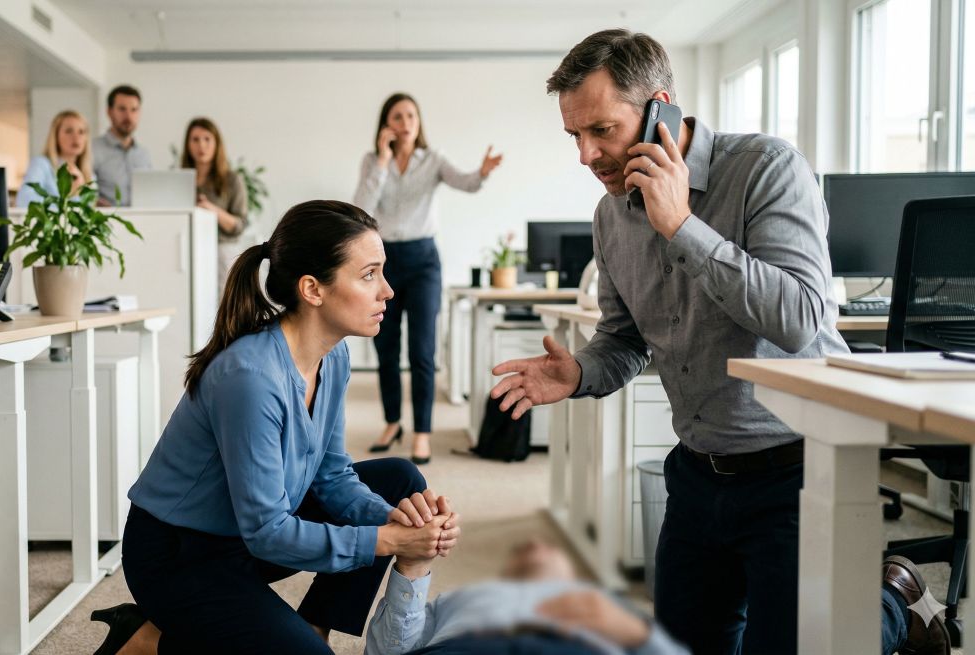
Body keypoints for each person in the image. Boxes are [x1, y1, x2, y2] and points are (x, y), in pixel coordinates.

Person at [487, 29, 950, 654]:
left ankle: (895, 600)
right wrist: (581, 374)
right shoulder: (610, 216)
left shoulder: (765, 169)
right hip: (698, 473)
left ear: (660, 109)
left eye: (601, 130)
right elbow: (625, 340)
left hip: (798, 468)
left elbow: (801, 318)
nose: (585, 154)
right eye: (575, 135)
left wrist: (682, 226)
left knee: (804, 642)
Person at [90, 200, 463, 655]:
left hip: (246, 539)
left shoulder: (334, 355)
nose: (387, 290)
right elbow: (268, 531)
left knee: (398, 484)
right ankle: (150, 637)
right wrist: (387, 541)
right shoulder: (249, 377)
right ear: (312, 289)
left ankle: (313, 628)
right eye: (369, 275)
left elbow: (332, 476)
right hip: (181, 557)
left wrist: (397, 519)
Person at [366, 541, 942, 655]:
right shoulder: (461, 611)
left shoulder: (596, 617)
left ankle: (892, 604)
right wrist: (413, 565)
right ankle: (894, 602)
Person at [355, 92, 503, 465]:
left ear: (418, 122)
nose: (405, 122)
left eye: (410, 116)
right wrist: (384, 162)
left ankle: (421, 432)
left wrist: (482, 172)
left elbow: (466, 183)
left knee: (421, 352)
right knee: (385, 349)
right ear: (386, 124)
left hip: (423, 261)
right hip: (383, 261)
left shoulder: (433, 160)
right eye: (397, 116)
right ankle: (392, 423)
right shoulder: (373, 162)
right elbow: (360, 210)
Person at [366, 538, 689, 655]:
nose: (534, 545)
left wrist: (638, 634)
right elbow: (390, 651)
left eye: (549, 547)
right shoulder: (463, 597)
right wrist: (413, 567)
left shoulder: (605, 604)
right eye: (522, 550)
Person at [180, 117, 250, 290]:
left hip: (221, 252)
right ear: (188, 144)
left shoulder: (231, 180)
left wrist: (211, 210)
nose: (201, 146)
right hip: (189, 251)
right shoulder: (180, 181)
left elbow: (239, 225)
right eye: (195, 139)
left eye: (207, 139)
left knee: (222, 307)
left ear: (216, 143)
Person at [16, 110, 94, 207]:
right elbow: (24, 200)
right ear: (56, 136)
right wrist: (68, 199)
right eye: (69, 131)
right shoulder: (41, 164)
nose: (76, 137)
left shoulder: (89, 174)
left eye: (81, 132)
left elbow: (88, 214)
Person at [92, 84, 152, 206]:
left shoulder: (144, 154)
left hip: (143, 221)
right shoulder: (92, 149)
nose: (128, 116)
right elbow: (83, 192)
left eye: (134, 110)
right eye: (122, 109)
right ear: (109, 112)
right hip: (106, 221)